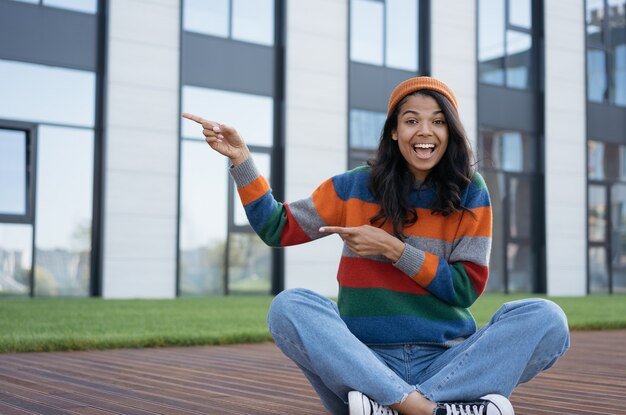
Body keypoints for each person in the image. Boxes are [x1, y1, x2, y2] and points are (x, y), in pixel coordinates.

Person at [182, 77, 570, 415]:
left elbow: (466, 287)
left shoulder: (471, 192)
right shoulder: (353, 186)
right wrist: (242, 159)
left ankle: (394, 406)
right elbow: (276, 227)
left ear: (450, 132)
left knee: (547, 318)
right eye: (412, 120)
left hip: (447, 361)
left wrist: (395, 250)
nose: (425, 131)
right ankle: (431, 409)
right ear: (393, 132)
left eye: (437, 121)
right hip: (363, 365)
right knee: (289, 306)